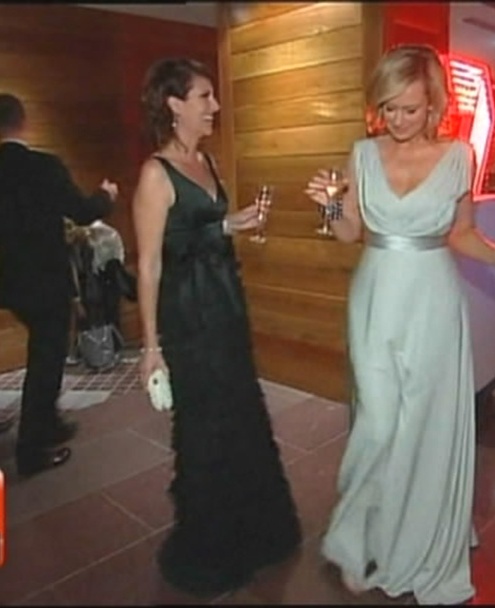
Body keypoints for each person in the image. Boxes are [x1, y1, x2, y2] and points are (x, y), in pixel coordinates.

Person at [304, 44, 495, 605]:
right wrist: (329, 204)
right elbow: (349, 232)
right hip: (375, 295)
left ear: (434, 106)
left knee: (425, 423)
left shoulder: (457, 157)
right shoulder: (362, 153)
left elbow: (460, 233)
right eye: (388, 108)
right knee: (377, 423)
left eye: (409, 108)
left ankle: (414, 534)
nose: (397, 119)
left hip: (433, 299)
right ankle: (353, 541)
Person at [132, 58, 301, 597]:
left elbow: (200, 229)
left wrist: (231, 222)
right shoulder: (155, 174)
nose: (215, 106)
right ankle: (210, 547)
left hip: (225, 306)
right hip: (189, 317)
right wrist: (151, 346)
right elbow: (151, 263)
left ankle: (256, 531)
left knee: (241, 414)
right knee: (206, 427)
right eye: (204, 96)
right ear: (174, 104)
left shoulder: (205, 160)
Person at [0, 93, 117, 477]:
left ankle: (48, 422)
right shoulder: (43, 166)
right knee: (46, 362)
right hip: (45, 279)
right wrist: (106, 196)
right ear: (23, 122)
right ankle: (32, 449)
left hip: (6, 280)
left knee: (43, 356)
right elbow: (82, 212)